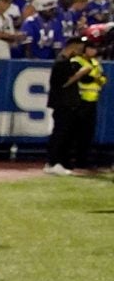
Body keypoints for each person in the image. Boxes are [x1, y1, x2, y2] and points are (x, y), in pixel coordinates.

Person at [44, 34, 101, 175]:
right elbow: (65, 82)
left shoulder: (67, 61)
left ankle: (61, 162)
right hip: (62, 102)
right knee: (59, 133)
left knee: (66, 134)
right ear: (72, 47)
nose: (79, 51)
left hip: (69, 103)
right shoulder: (62, 62)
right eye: (79, 48)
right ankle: (52, 163)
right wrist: (81, 73)